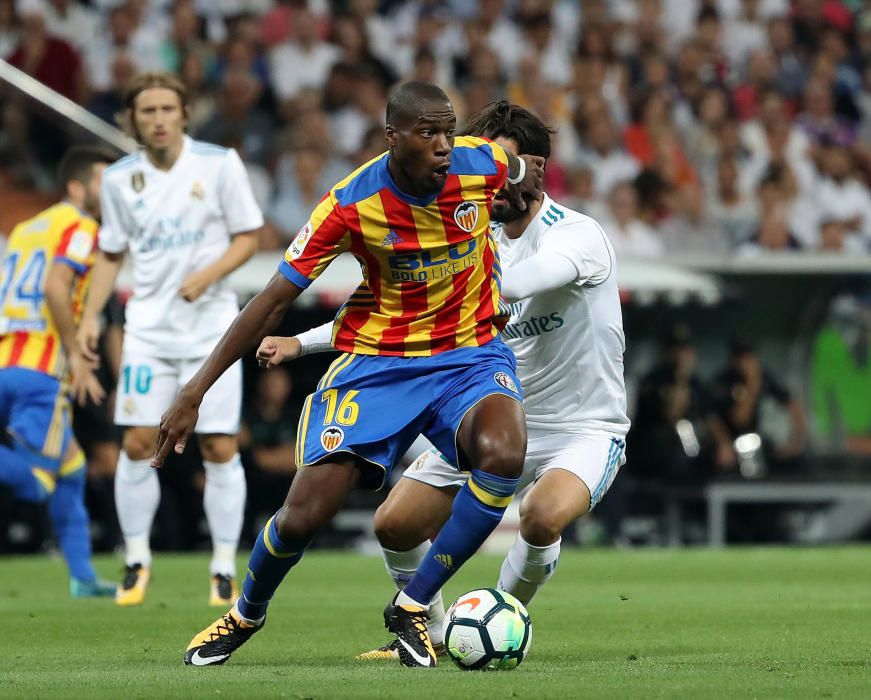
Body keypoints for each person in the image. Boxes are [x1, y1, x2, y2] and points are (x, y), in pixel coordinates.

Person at [152, 81, 544, 668]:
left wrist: (520, 193)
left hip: (470, 354)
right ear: (393, 137)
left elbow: (519, 168)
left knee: (504, 453)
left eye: (448, 129)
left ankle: (413, 605)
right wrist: (195, 389)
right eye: (428, 133)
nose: (443, 145)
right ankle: (245, 613)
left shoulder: (479, 161)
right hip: (378, 365)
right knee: (303, 516)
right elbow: (270, 301)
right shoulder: (349, 204)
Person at [258, 102, 630, 659]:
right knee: (394, 525)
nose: (485, 176)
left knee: (540, 515)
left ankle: (500, 624)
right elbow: (400, 318)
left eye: (500, 162)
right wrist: (303, 342)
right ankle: (426, 635)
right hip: (488, 412)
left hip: (582, 427)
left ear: (533, 167)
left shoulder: (578, 235)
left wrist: (485, 293)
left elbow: (534, 277)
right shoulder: (470, 234)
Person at [77, 72, 264, 608]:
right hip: (148, 334)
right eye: (147, 111)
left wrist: (208, 276)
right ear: (132, 120)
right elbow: (111, 253)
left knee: (219, 446)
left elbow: (249, 236)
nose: (157, 119)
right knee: (136, 444)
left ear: (184, 113)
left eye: (166, 108)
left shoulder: (219, 163)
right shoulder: (118, 180)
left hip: (212, 333)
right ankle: (136, 559)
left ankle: (224, 566)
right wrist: (92, 316)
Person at [0, 145, 117, 598]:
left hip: (9, 360)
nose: (110, 193)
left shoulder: (28, 227)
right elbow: (54, 285)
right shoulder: (83, 228)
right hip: (43, 372)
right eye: (102, 183)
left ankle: (83, 578)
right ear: (76, 186)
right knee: (35, 482)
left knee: (71, 468)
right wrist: (74, 349)